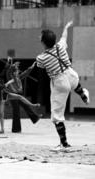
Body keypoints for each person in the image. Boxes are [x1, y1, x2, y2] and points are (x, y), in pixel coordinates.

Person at [36, 20, 90, 150]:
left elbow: (40, 66)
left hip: (59, 82)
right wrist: (66, 26)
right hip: (71, 74)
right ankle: (84, 96)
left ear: (43, 42)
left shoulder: (41, 57)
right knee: (75, 85)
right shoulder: (60, 45)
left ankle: (64, 144)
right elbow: (64, 36)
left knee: (57, 116)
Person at [0, 69, 40, 134]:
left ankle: (33, 105)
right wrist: (9, 82)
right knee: (1, 114)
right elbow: (1, 87)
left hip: (6, 95)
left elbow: (3, 72)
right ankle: (2, 129)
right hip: (0, 99)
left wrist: (8, 63)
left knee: (19, 97)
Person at [5, 62, 41, 133]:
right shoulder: (10, 77)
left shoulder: (18, 77)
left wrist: (31, 67)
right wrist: (12, 65)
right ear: (13, 72)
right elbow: (8, 72)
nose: (18, 72)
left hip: (19, 94)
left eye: (17, 71)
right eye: (16, 71)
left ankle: (35, 118)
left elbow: (25, 73)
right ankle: (16, 129)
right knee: (16, 112)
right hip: (13, 96)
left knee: (26, 106)